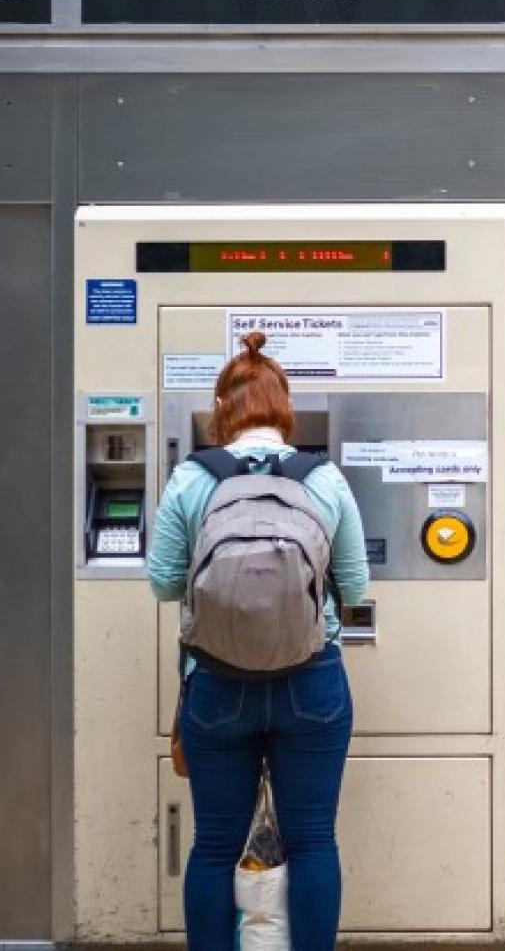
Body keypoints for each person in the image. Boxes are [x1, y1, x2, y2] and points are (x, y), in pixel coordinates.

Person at [148, 332, 369, 951]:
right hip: (312, 682)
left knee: (215, 844)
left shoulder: (192, 478)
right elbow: (354, 583)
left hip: (216, 682)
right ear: (285, 409)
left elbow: (164, 583)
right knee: (313, 841)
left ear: (223, 410)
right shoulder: (324, 479)